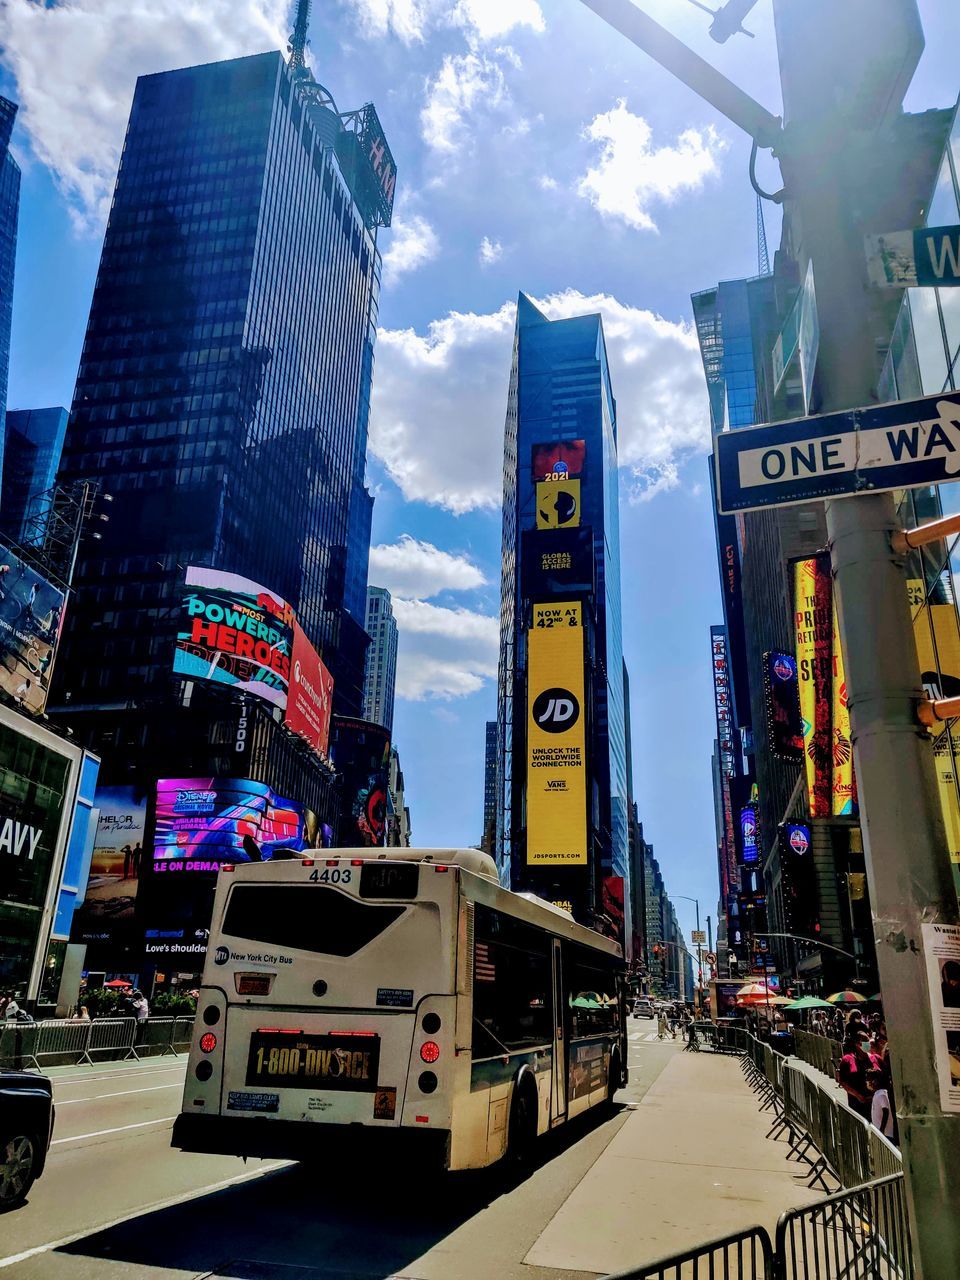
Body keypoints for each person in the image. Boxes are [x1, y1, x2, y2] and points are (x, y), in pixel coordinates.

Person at [837, 1034, 876, 1120]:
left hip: (874, 1103)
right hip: (856, 1104)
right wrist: (858, 1096)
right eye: (865, 1041)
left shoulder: (873, 1058)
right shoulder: (847, 1059)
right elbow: (843, 1081)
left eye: (868, 1040)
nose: (868, 1044)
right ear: (857, 1044)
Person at [870, 1059, 897, 1143]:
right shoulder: (877, 1094)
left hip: (886, 1134)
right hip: (880, 1133)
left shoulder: (882, 1094)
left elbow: (886, 1111)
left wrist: (881, 1130)